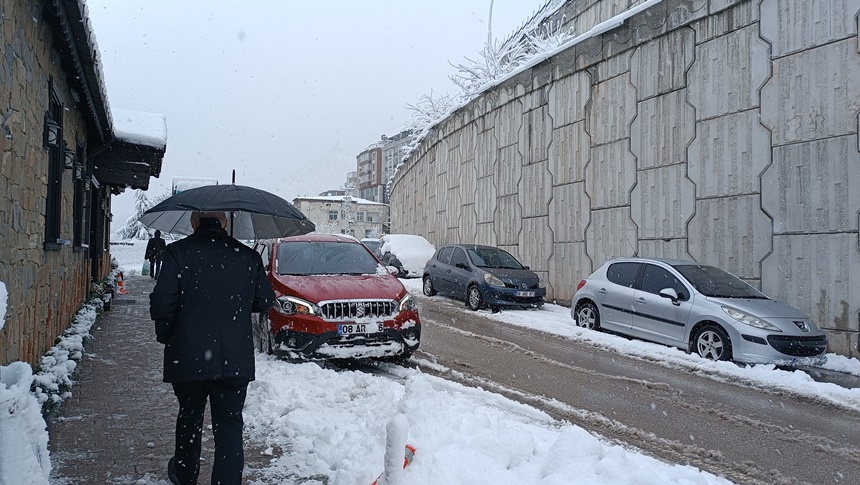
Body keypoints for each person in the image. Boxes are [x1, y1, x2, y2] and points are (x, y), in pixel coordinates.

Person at [150, 211, 275, 485]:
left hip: (187, 355)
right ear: (225, 222)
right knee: (230, 425)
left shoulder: (177, 253)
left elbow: (162, 302)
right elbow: (265, 299)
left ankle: (185, 475)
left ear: (194, 222)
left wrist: (167, 335)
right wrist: (236, 304)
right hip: (234, 358)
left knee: (189, 418)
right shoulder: (247, 256)